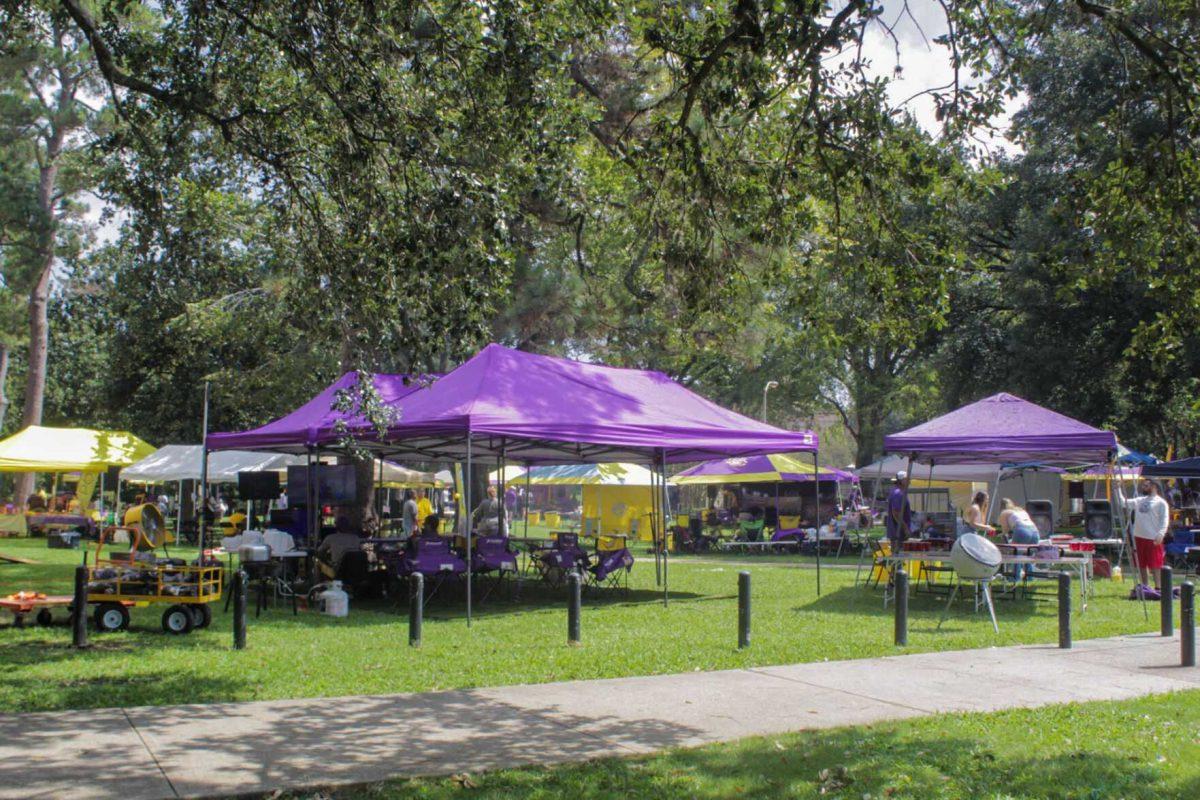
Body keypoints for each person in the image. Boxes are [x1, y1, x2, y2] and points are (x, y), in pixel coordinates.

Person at [1119, 479, 1169, 592]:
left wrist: (1161, 533)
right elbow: (1123, 502)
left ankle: (1158, 588)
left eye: (1146, 485)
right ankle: (1145, 587)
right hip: (1138, 537)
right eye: (1143, 485)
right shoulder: (1139, 500)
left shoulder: (1161, 502)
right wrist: (1118, 489)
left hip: (1153, 538)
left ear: (1154, 486)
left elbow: (1164, 520)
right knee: (1141, 564)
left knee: (1156, 564)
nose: (1143, 487)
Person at [885, 471, 912, 547]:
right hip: (898, 532)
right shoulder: (898, 493)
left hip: (898, 531)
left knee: (899, 556)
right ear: (901, 481)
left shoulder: (899, 492)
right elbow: (896, 513)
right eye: (907, 479)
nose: (909, 481)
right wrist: (905, 528)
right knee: (898, 555)